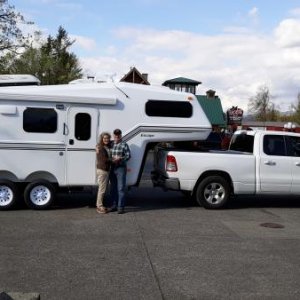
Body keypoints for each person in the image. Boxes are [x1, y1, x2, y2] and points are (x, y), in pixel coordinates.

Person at [109, 129, 131, 214]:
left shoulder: (124, 144)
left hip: (121, 167)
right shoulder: (111, 144)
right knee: (112, 188)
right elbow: (106, 152)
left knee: (121, 188)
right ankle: (114, 206)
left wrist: (120, 159)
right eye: (115, 135)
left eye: (118, 135)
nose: (117, 137)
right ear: (113, 136)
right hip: (112, 167)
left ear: (121, 135)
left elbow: (128, 156)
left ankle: (121, 207)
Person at [95, 132, 111, 214]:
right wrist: (114, 159)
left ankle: (99, 205)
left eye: (108, 138)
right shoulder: (101, 147)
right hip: (103, 170)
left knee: (102, 188)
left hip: (104, 170)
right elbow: (104, 159)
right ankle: (99, 206)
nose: (106, 139)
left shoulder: (105, 146)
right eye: (104, 138)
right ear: (102, 139)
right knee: (102, 189)